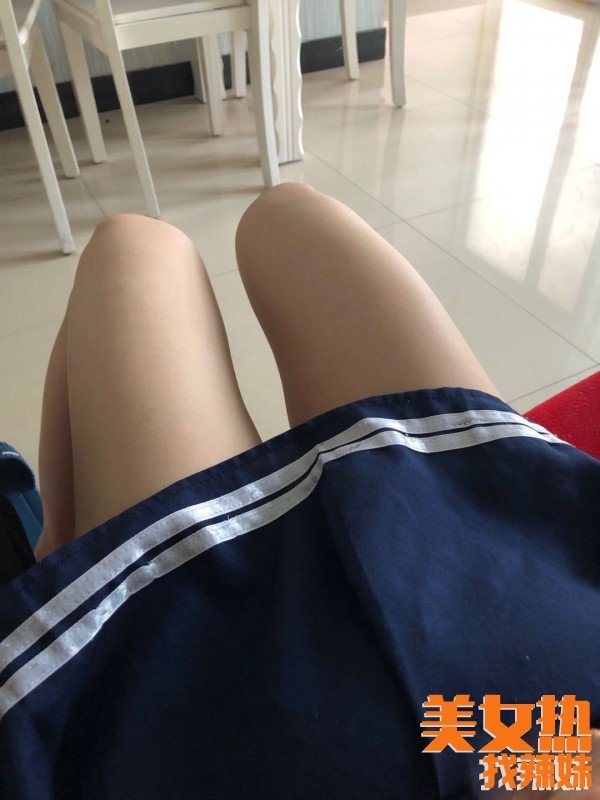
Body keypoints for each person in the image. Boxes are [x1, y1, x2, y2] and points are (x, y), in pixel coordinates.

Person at [0, 183, 598, 798]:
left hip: (231, 706)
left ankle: (61, 558)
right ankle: (62, 561)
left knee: (131, 245)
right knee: (283, 213)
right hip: (533, 615)